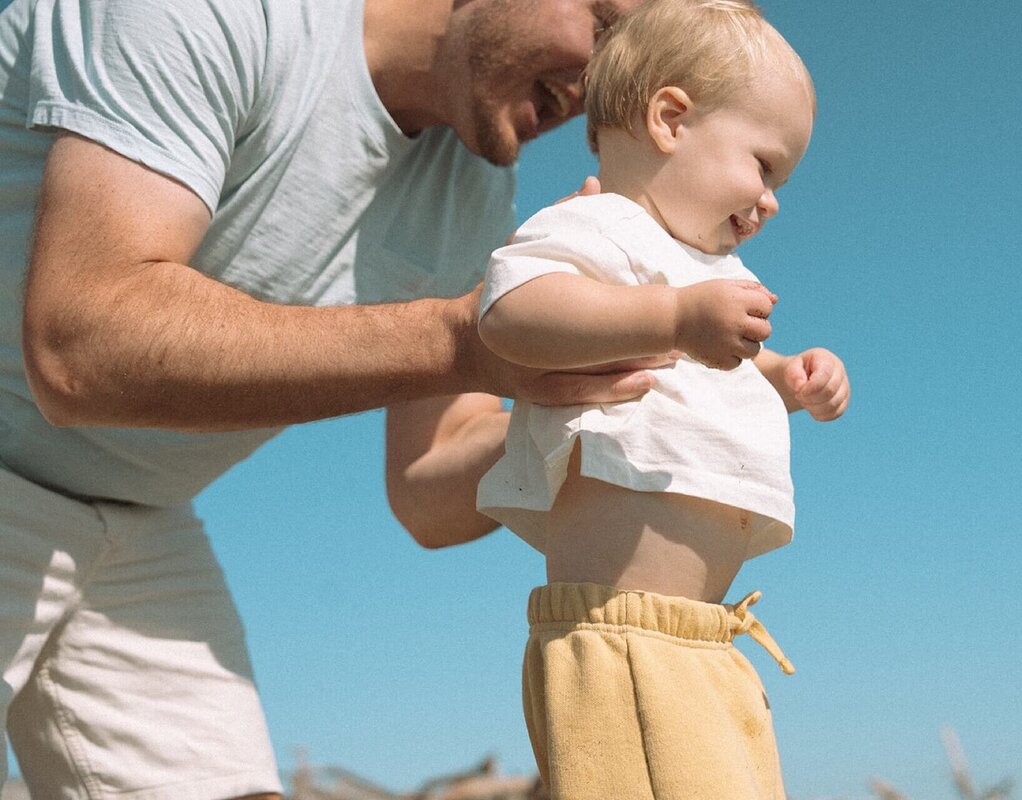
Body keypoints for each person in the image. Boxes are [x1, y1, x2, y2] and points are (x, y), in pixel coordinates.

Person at [0, 0, 660, 797]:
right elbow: (81, 344)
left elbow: (427, 488)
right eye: (605, 27)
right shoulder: (218, 13)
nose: (602, 84)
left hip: (134, 513)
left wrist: (600, 395)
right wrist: (462, 340)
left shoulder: (474, 192)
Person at [471, 0, 850, 796]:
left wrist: (788, 378)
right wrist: (676, 316)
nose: (773, 198)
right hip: (622, 635)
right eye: (765, 164)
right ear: (671, 120)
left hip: (706, 640)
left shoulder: (703, 272)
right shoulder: (600, 226)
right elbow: (513, 312)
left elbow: (720, 369)